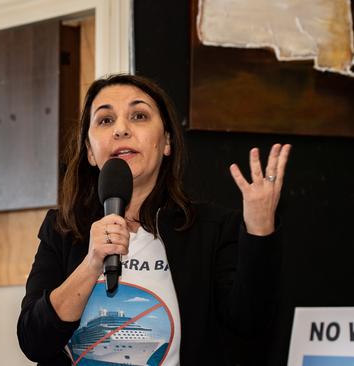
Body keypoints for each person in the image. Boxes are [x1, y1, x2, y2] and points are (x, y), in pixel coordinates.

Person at [17, 73, 291, 365]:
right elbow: (34, 341)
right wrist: (91, 262)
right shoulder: (62, 228)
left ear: (167, 142)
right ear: (89, 152)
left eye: (139, 115)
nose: (121, 129)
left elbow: (251, 326)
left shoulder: (211, 230)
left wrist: (260, 227)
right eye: (105, 120)